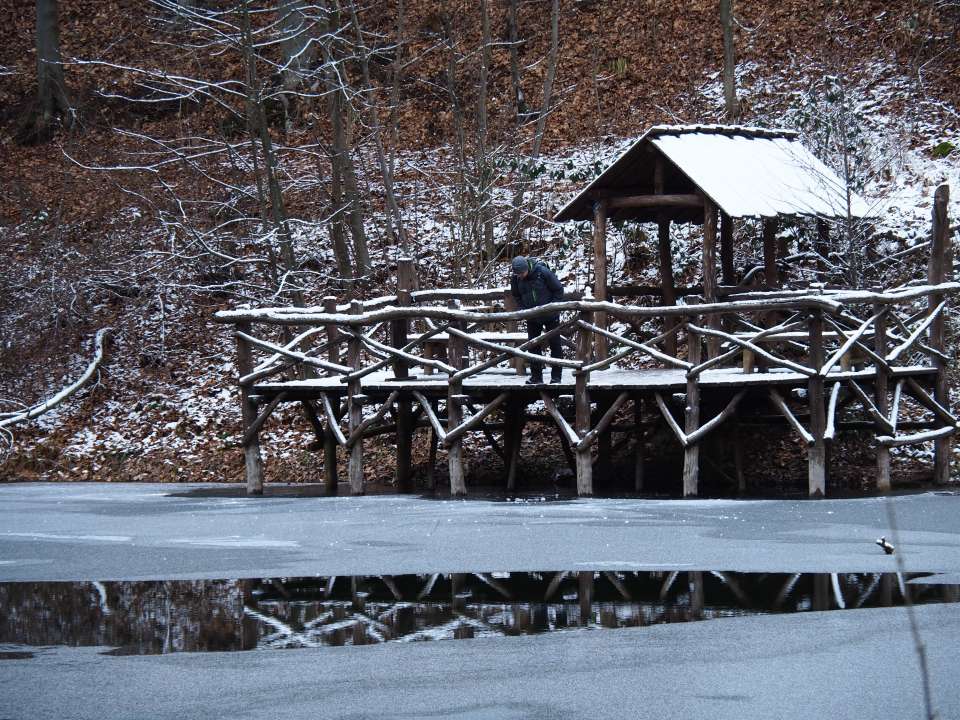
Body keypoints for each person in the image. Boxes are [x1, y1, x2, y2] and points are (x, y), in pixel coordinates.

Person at [510, 255, 565, 384]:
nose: (520, 276)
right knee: (533, 346)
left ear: (527, 268)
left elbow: (558, 290)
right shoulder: (516, 279)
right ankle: (536, 377)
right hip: (532, 317)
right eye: (518, 274)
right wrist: (523, 309)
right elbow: (516, 295)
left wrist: (553, 308)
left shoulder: (542, 272)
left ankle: (556, 377)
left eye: (522, 273)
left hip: (550, 315)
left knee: (555, 345)